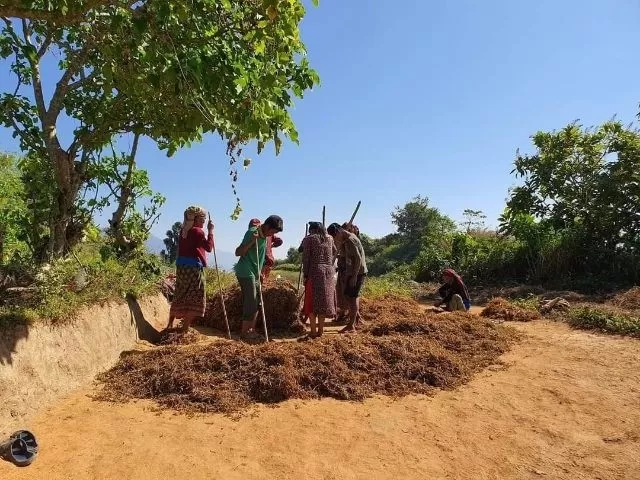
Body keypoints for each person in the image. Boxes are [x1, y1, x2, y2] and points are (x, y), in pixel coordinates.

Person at [235, 215, 284, 339]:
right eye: (272, 231)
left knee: (258, 302)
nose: (272, 235)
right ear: (267, 226)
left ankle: (251, 330)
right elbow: (238, 252)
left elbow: (261, 257)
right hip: (245, 271)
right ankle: (244, 332)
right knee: (251, 300)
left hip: (255, 272)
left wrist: (260, 272)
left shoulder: (266, 236)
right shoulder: (253, 233)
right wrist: (252, 241)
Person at [166, 206, 214, 332]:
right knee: (196, 295)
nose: (203, 223)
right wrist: (211, 231)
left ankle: (169, 325)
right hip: (194, 268)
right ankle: (185, 329)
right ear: (197, 219)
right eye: (202, 221)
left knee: (180, 293)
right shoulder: (198, 232)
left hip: (182, 267)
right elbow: (209, 248)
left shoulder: (183, 230)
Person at [327, 222, 367, 333]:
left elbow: (358, 259)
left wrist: (354, 276)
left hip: (357, 273)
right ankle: (353, 322)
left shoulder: (351, 240)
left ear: (339, 231)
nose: (336, 239)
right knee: (349, 297)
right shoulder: (346, 240)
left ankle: (351, 326)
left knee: (352, 298)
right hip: (351, 272)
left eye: (335, 236)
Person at [301, 222, 337, 338]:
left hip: (314, 272)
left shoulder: (309, 239)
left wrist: (305, 275)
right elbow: (336, 251)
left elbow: (306, 259)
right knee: (323, 302)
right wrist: (330, 264)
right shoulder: (330, 238)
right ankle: (320, 331)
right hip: (328, 273)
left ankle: (313, 332)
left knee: (311, 303)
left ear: (312, 230)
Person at [335, 222, 361, 323]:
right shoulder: (343, 240)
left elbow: (354, 258)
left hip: (349, 270)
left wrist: (353, 275)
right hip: (343, 269)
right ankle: (342, 313)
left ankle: (355, 317)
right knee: (341, 293)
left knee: (351, 295)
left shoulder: (351, 240)